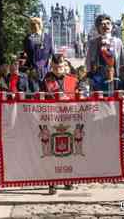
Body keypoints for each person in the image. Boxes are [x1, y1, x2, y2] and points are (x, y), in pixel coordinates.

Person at [41, 53, 77, 194]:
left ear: (65, 66)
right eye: (55, 67)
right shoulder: (46, 81)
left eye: (61, 67)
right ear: (52, 66)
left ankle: (68, 179)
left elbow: (80, 99)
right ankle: (52, 182)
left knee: (70, 150)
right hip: (51, 119)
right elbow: (40, 100)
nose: (58, 69)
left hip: (70, 119)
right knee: (51, 151)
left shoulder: (73, 80)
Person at [85, 14, 124, 79]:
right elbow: (88, 61)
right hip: (98, 77)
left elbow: (121, 61)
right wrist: (90, 76)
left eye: (108, 23)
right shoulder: (93, 43)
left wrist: (122, 76)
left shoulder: (118, 42)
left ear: (112, 26)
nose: (106, 26)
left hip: (114, 76)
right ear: (98, 27)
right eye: (103, 24)